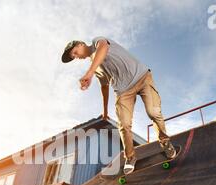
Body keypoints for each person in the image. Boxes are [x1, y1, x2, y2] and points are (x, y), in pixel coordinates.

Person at [61, 37, 176, 174]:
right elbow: (104, 86)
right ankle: (130, 157)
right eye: (73, 57)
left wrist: (90, 72)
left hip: (142, 77)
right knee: (124, 124)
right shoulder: (95, 67)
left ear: (80, 44)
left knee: (153, 112)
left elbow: (103, 47)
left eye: (74, 52)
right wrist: (104, 111)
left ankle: (165, 142)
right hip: (123, 91)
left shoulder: (97, 41)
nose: (76, 57)